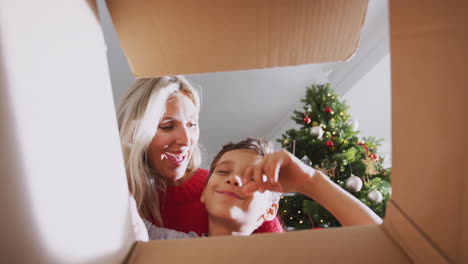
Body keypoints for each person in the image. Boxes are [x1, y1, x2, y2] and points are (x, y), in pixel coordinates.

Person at [117, 76, 283, 236]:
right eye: (167, 126)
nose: (187, 140)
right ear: (134, 133)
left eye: (192, 124)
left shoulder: (229, 194)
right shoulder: (120, 199)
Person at [134, 137, 382, 240]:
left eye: (253, 177)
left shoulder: (284, 256)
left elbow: (382, 243)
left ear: (270, 211)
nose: (234, 180)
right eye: (223, 172)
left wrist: (310, 182)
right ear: (204, 193)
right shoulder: (171, 244)